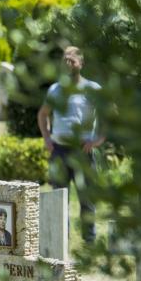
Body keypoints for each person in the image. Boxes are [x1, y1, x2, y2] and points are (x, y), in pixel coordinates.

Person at [37, 46, 103, 243]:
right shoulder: (55, 89)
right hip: (59, 152)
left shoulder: (92, 89)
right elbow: (42, 115)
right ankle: (59, 242)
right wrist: (47, 139)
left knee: (87, 200)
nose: (68, 64)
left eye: (72, 60)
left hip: (83, 152)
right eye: (65, 60)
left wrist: (97, 140)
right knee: (58, 199)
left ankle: (89, 242)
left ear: (81, 64)